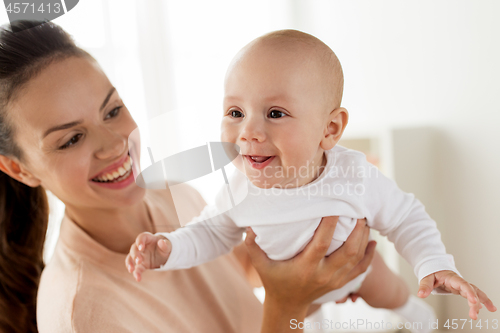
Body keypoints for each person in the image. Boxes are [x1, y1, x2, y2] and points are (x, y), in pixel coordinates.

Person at [0, 20, 376, 333]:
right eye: (72, 139)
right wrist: (287, 303)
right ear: (19, 168)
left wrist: (316, 271)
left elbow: (229, 284)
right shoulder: (83, 313)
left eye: (112, 111)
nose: (115, 145)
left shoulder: (169, 193)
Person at [127, 29, 497, 332]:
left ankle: (418, 318)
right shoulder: (237, 189)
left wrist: (435, 263)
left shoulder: (352, 174)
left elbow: (405, 218)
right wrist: (168, 250)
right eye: (235, 112)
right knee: (299, 321)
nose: (249, 130)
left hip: (359, 271)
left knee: (392, 292)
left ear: (329, 129)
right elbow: (209, 234)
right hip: (289, 291)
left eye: (275, 113)